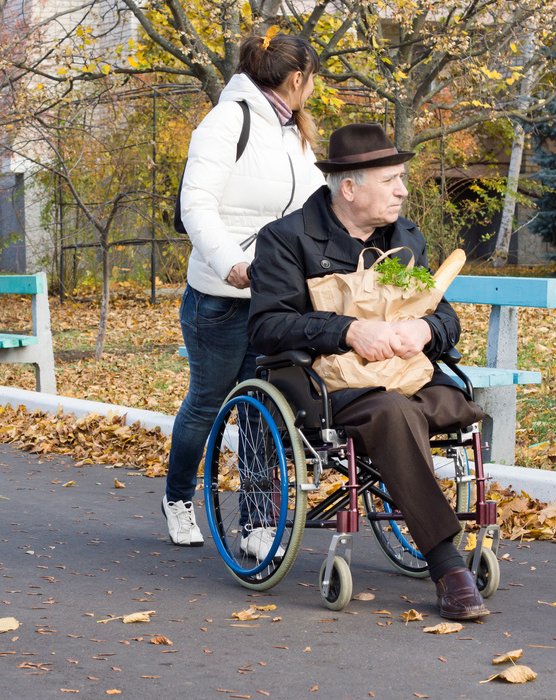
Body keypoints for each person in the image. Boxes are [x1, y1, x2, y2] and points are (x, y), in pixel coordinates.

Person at [247, 123, 490, 620]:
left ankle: (429, 510)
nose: (403, 190)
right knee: (396, 417)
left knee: (459, 407)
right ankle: (447, 563)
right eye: (391, 180)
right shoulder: (287, 239)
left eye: (402, 178)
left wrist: (425, 330)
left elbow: (446, 314)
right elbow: (268, 327)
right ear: (351, 188)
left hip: (407, 373)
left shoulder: (404, 238)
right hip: (329, 386)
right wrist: (348, 331)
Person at [163, 33, 325, 550]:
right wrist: (231, 262)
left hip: (275, 299)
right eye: (312, 78)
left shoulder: (293, 133)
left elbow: (317, 203)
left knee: (266, 406)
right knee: (209, 402)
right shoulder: (227, 121)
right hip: (219, 297)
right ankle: (178, 497)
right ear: (297, 78)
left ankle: (257, 521)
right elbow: (197, 205)